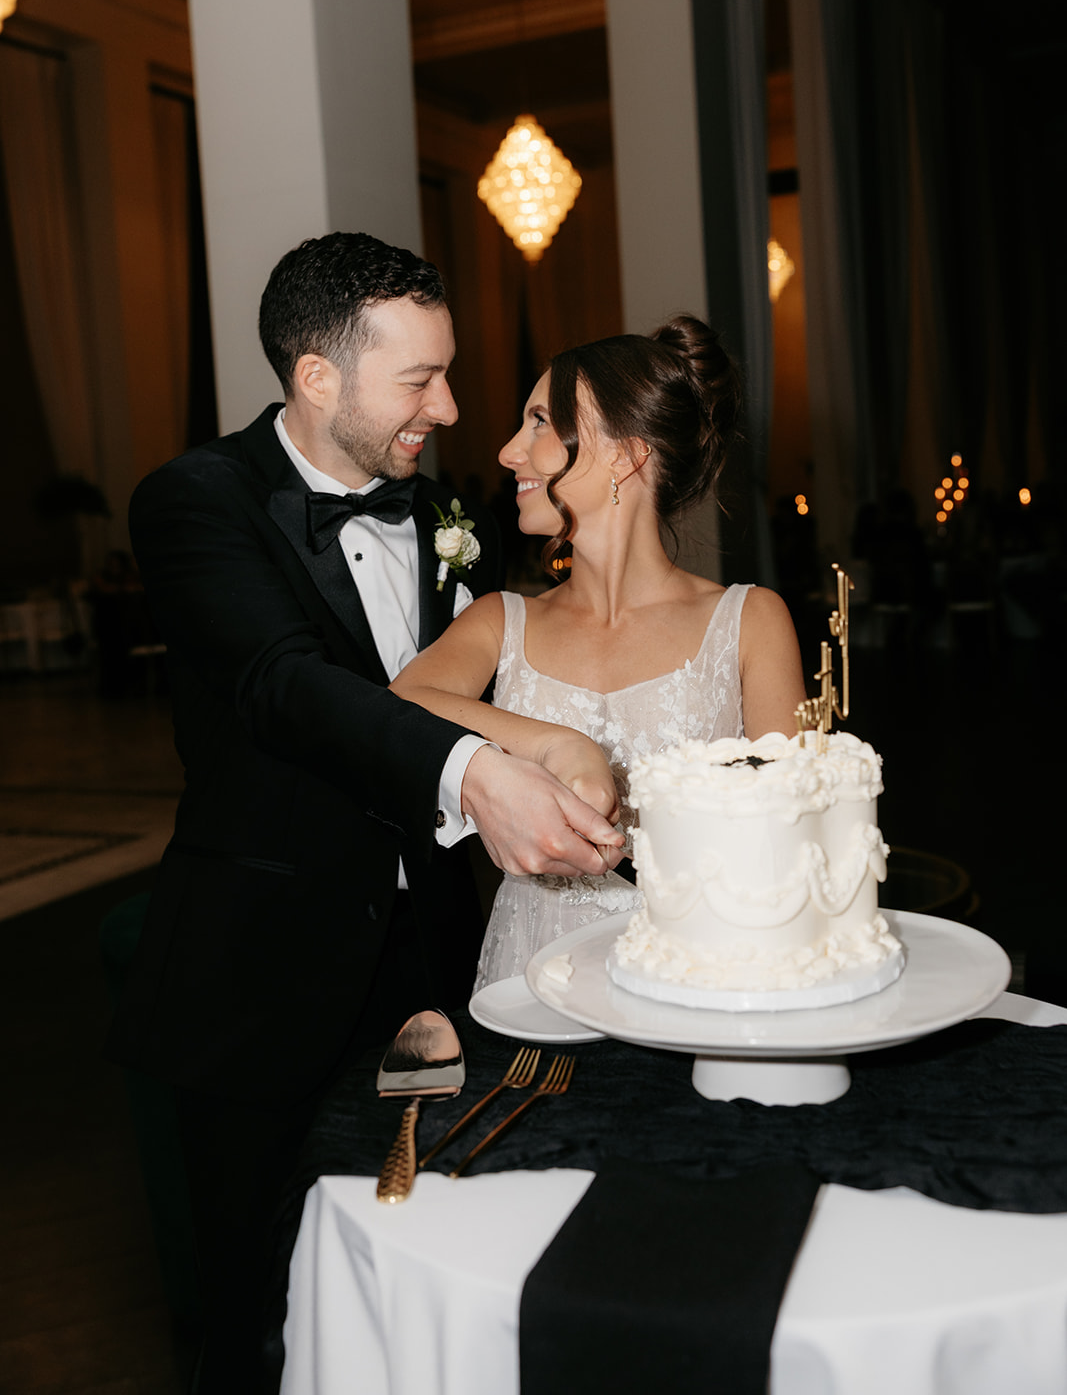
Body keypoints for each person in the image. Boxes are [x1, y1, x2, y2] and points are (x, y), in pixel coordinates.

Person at [105, 232, 620, 1394]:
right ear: (317, 376)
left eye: (445, 372)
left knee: (412, 1263)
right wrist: (471, 775)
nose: (446, 404)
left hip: (430, 967)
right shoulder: (194, 502)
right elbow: (284, 685)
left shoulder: (440, 512)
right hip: (255, 980)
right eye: (418, 379)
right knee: (258, 1305)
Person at [391, 316, 807, 988]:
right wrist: (560, 746)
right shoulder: (502, 620)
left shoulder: (749, 621)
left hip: (703, 975)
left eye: (537, 424)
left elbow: (788, 835)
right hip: (533, 984)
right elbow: (400, 705)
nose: (507, 451)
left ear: (625, 455)